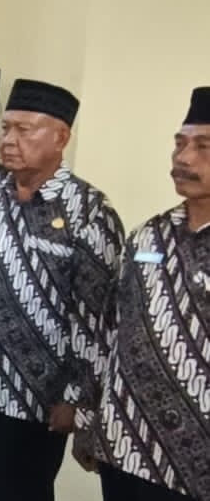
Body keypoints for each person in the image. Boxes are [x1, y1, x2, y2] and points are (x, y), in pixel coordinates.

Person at [0, 79, 124, 501]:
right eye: (5, 128)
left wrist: (77, 398)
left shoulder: (90, 211)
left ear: (61, 138)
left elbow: (97, 317)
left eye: (24, 130)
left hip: (35, 401)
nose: (8, 140)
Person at [75, 87, 210, 501]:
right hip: (125, 443)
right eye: (180, 143)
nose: (183, 158)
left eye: (203, 147)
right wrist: (89, 418)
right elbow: (109, 328)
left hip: (197, 462)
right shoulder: (148, 235)